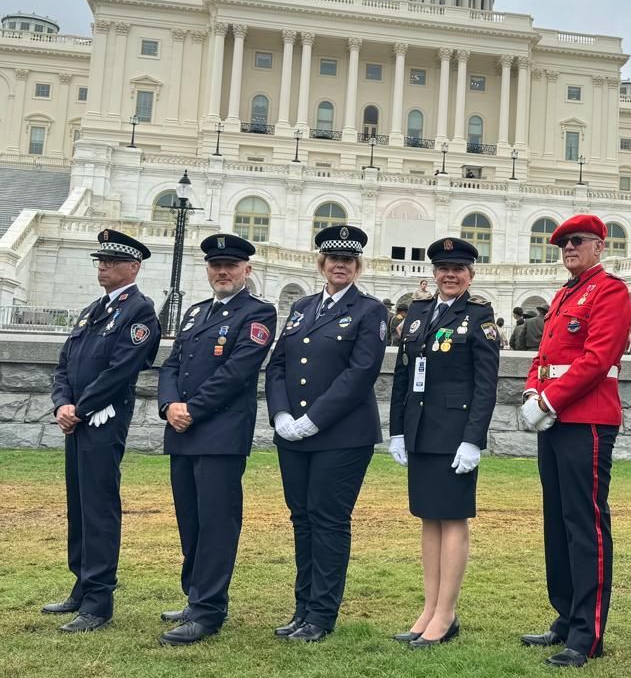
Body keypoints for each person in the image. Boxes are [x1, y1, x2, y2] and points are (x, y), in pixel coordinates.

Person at [518, 214, 631, 667]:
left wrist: (548, 402)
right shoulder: (565, 292)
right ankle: (566, 617)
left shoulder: (610, 291)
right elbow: (545, 357)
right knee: (559, 520)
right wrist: (533, 390)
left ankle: (588, 633)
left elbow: (597, 358)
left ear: (599, 247)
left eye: (578, 241)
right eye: (564, 243)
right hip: (556, 419)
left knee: (586, 525)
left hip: (585, 421)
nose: (569, 248)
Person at [265, 224, 388, 643]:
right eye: (334, 259)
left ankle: (321, 614)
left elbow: (361, 372)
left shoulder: (371, 310)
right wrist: (280, 414)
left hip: (341, 435)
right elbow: (278, 363)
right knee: (301, 519)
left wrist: (315, 418)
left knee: (328, 519)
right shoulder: (301, 307)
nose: (341, 266)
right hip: (293, 434)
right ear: (322, 264)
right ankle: (302, 608)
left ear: (357, 267)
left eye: (349, 261)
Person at [155, 233, 277, 645]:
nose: (222, 272)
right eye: (215, 265)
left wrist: (192, 409)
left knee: (217, 522)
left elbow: (238, 370)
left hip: (220, 433)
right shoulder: (194, 313)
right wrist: (170, 404)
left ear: (247, 270)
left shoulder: (258, 313)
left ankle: (209, 609)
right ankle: (195, 595)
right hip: (183, 431)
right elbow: (171, 364)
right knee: (190, 520)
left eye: (231, 266)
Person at [40, 229, 162, 633]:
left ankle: (99, 600)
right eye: (100, 260)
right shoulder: (93, 309)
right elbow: (64, 364)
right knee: (78, 504)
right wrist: (62, 404)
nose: (103, 266)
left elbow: (121, 370)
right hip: (76, 420)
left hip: (103, 420)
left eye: (112, 261)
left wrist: (82, 408)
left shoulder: (139, 311)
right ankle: (81, 582)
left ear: (134, 266)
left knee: (99, 507)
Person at [388, 237, 499, 647]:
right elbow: (403, 375)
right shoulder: (417, 314)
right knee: (428, 518)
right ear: (433, 273)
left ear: (470, 275)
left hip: (454, 435)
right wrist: (397, 429)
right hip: (419, 430)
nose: (449, 276)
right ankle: (429, 607)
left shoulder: (479, 316)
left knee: (452, 519)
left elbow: (486, 386)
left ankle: (446, 613)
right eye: (443, 269)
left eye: (458, 270)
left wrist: (474, 440)